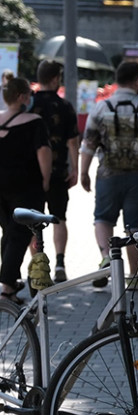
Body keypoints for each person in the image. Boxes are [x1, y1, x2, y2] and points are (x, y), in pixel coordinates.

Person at [80, 61, 138, 290]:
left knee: (103, 218)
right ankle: (133, 276)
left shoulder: (101, 107)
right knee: (136, 225)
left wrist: (83, 172)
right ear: (136, 81)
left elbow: (88, 143)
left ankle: (106, 256)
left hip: (108, 173)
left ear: (117, 80)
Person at [0, 78, 52, 303]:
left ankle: (10, 285)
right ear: (21, 97)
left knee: (9, 233)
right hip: (26, 186)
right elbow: (43, 152)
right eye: (29, 94)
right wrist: (46, 179)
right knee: (20, 234)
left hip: (1, 186)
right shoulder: (34, 122)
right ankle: (6, 285)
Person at [29, 60, 80, 282]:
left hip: (32, 172)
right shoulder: (65, 106)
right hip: (58, 171)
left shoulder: (29, 104)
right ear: (55, 79)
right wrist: (76, 168)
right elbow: (73, 142)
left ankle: (38, 267)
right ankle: (60, 263)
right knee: (59, 217)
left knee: (32, 221)